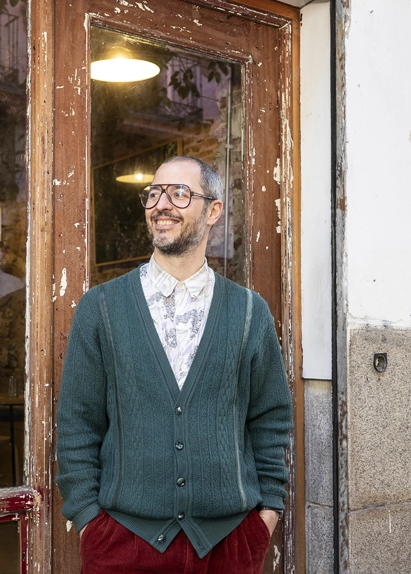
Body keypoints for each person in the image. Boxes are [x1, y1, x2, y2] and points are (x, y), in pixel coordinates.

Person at [56, 155, 293, 574]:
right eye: (153, 193)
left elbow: (270, 417)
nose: (161, 204)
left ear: (213, 210)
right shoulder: (102, 308)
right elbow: (78, 420)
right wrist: (87, 519)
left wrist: (268, 511)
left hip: (228, 544)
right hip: (123, 544)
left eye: (179, 193)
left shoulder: (249, 312)